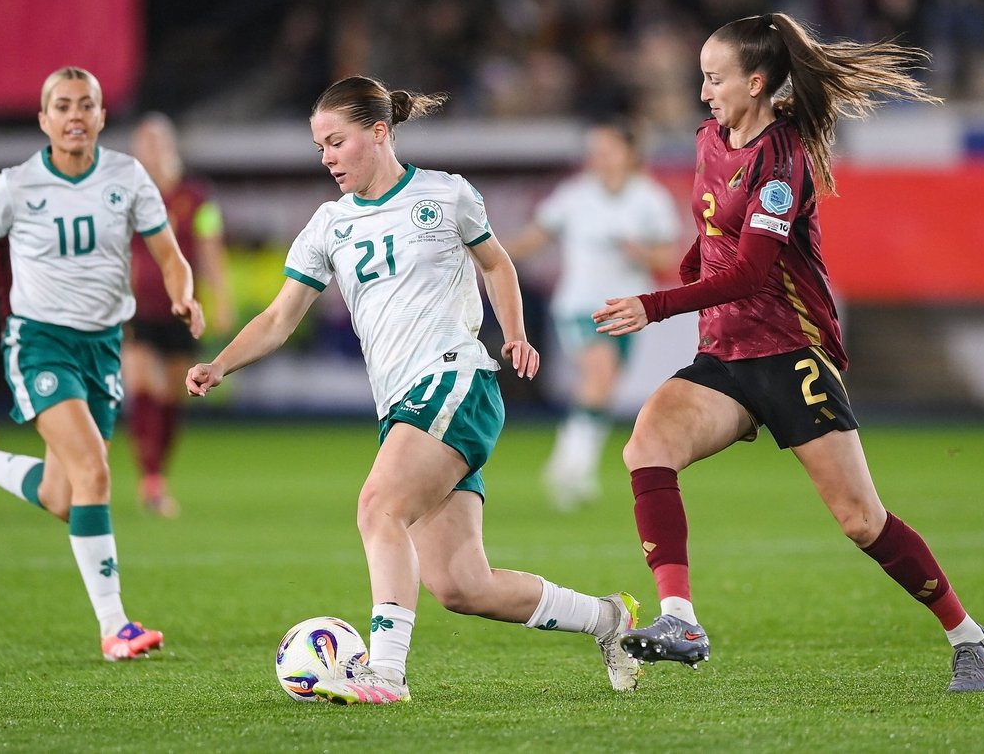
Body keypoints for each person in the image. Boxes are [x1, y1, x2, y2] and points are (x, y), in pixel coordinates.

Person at [186, 76, 642, 704]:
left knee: (378, 506)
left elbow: (496, 263)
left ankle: (385, 673)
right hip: (403, 404)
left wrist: (514, 333)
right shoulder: (329, 225)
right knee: (461, 585)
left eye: (337, 142)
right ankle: (609, 619)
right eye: (320, 147)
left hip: (454, 379)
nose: (327, 158)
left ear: (379, 132)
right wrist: (220, 364)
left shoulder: (445, 194)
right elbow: (279, 318)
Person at [592, 12, 984, 693]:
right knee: (648, 445)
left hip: (792, 353)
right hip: (726, 354)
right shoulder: (709, 140)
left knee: (860, 521)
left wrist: (655, 304)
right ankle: (680, 619)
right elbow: (712, 234)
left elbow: (753, 273)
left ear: (756, 83)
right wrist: (692, 266)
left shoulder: (782, 161)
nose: (703, 92)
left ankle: (969, 636)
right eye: (702, 78)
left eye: (715, 79)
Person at [0, 66, 204, 661]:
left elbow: (170, 255)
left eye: (86, 104)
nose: (75, 115)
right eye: (62, 106)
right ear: (44, 119)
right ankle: (115, 627)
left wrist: (184, 295)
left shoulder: (127, 176)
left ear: (102, 116)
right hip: (40, 343)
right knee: (95, 473)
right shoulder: (17, 184)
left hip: (102, 346)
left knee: (65, 495)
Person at [504, 120, 681, 510]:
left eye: (606, 149)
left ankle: (571, 464)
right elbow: (533, 238)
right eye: (594, 151)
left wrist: (640, 252)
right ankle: (572, 469)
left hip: (626, 309)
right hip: (580, 305)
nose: (597, 158)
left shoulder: (649, 199)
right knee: (598, 375)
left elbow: (666, 257)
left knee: (603, 387)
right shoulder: (574, 196)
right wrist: (488, 256)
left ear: (629, 153)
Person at [123, 113, 235, 516]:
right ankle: (151, 478)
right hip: (136, 308)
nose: (150, 150)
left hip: (182, 308)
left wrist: (222, 299)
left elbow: (210, 248)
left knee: (172, 396)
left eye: (156, 142)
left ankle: (158, 474)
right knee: (140, 384)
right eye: (143, 143)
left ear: (171, 148)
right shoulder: (127, 197)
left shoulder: (197, 198)